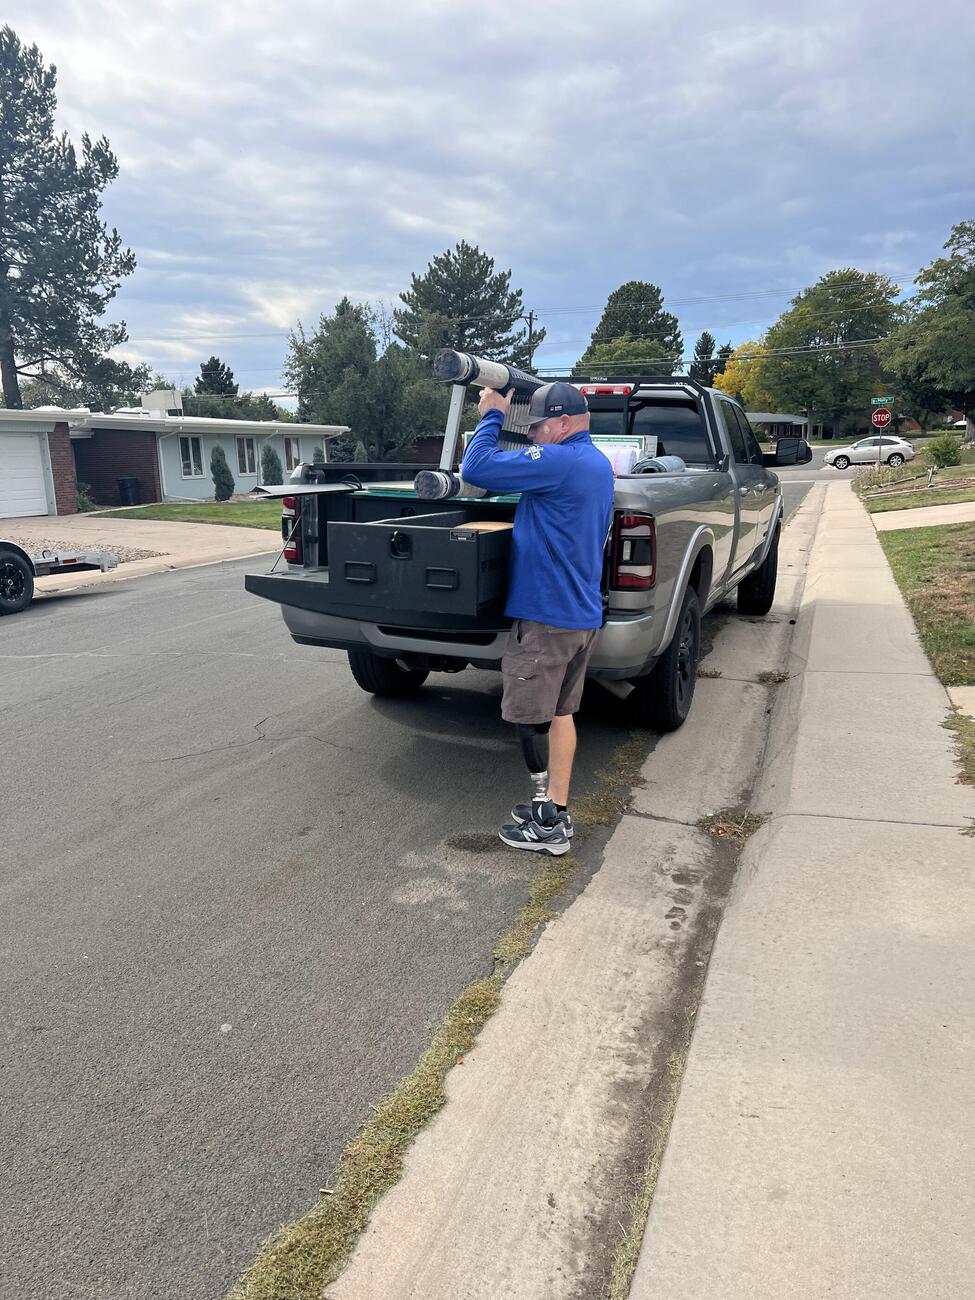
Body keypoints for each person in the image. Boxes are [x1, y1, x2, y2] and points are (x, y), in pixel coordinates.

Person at [461, 381, 615, 855]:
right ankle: (557, 808)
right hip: (579, 616)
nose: (533, 438)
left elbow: (476, 467)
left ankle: (547, 827)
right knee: (562, 713)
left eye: (539, 428)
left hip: (547, 617)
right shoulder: (596, 463)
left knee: (529, 718)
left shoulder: (562, 460)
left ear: (564, 422)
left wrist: (492, 414)